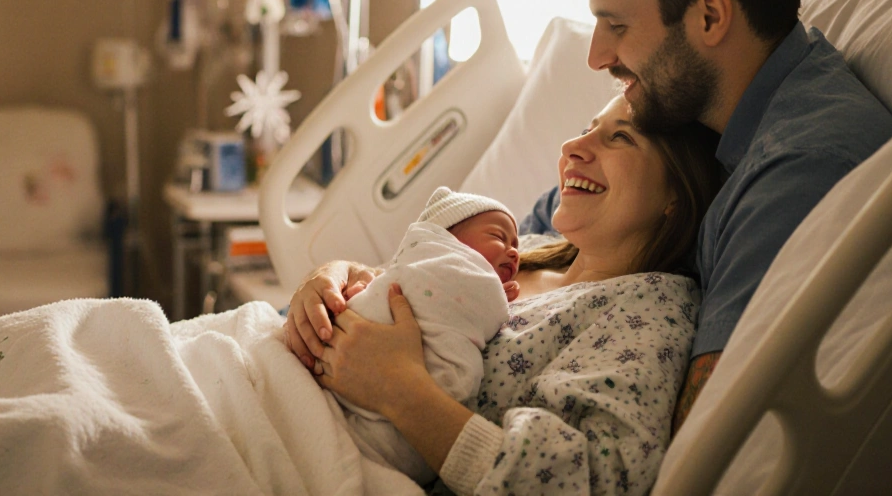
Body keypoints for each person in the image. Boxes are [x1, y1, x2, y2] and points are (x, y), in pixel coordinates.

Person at [520, 0, 892, 430]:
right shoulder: (708, 106)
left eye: (617, 26)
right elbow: (544, 224)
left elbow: (708, 437)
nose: (597, 56)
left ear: (711, 15)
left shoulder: (798, 172)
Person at [285, 95, 727, 493]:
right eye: (586, 128)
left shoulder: (650, 314)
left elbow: (593, 480)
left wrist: (399, 390)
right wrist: (331, 277)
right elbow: (401, 276)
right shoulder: (525, 250)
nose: (574, 148)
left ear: (677, 192)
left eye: (620, 138)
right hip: (282, 393)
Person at [336, 186, 520, 484]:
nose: (514, 251)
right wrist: (336, 274)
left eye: (517, 247)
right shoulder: (437, 261)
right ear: (445, 238)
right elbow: (389, 277)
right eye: (499, 237)